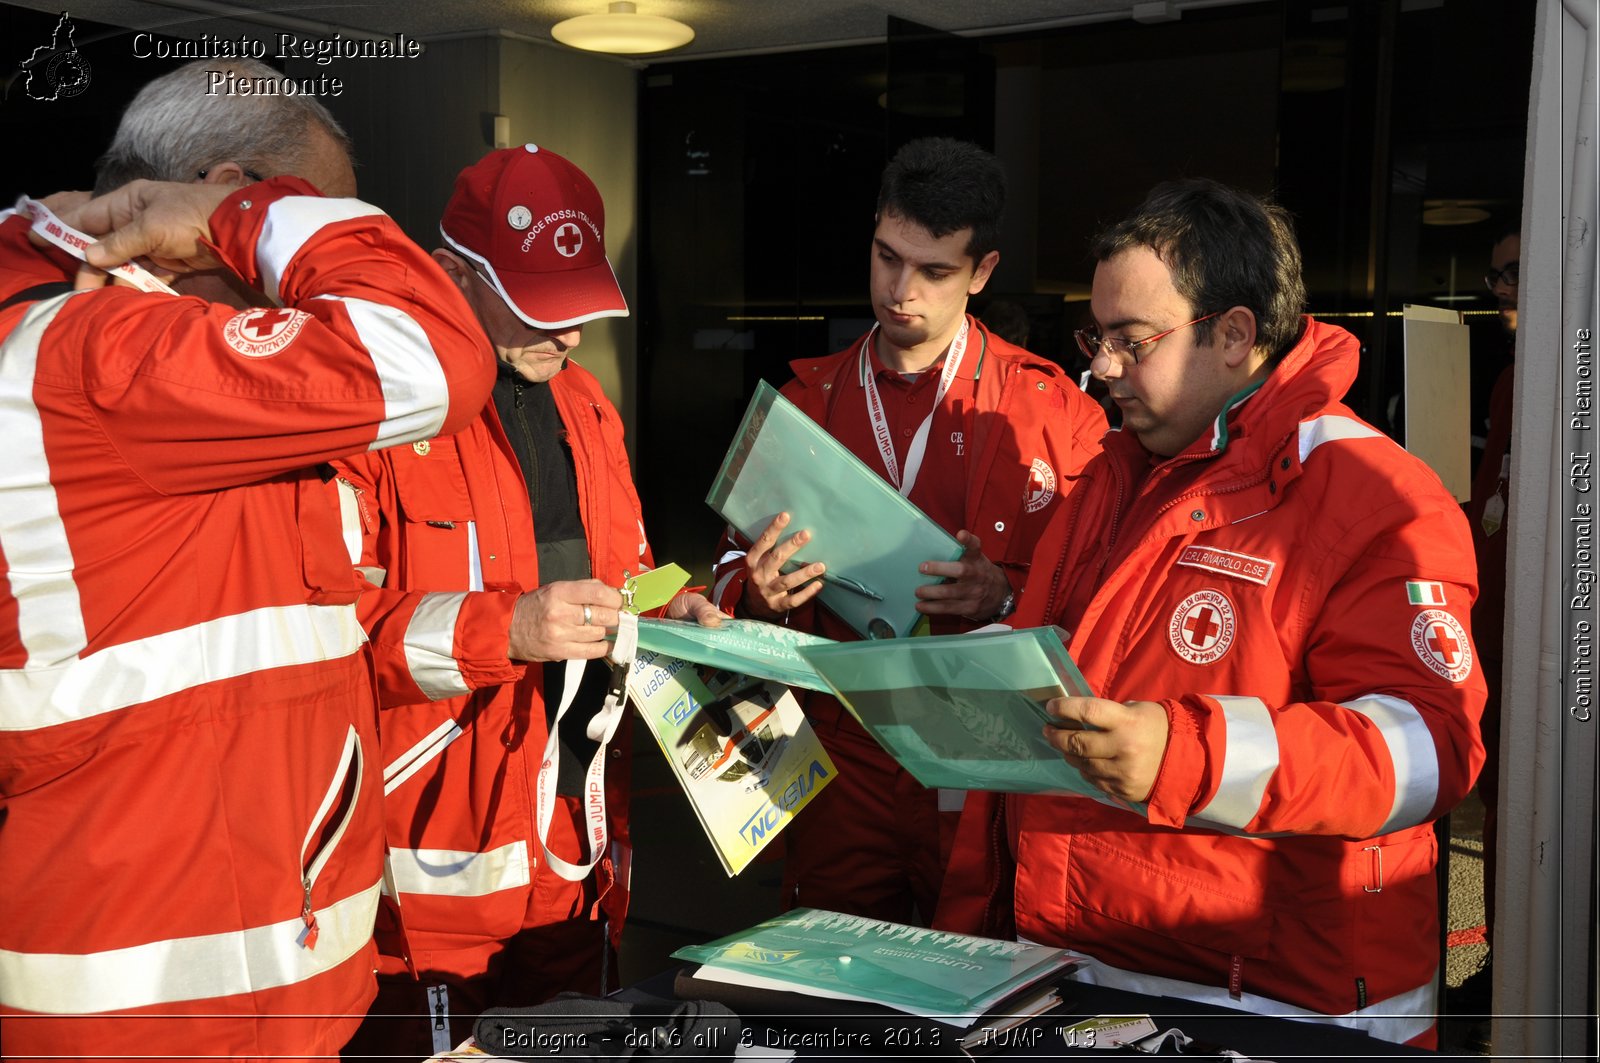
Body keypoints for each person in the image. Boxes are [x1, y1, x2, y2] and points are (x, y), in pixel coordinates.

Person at [0, 59, 494, 1060]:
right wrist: (266, 219)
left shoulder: (143, 362)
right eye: (297, 217)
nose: (304, 266)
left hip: (236, 964)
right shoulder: (113, 355)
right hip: (163, 995)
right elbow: (432, 355)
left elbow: (291, 633)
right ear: (220, 198)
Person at [937, 178, 1486, 1048]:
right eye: (1097, 339)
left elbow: (1428, 751)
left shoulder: (1373, 494)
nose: (1103, 368)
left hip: (1278, 1005)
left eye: (1132, 341)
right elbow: (1083, 655)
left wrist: (1185, 751)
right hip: (1088, 966)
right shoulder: (1117, 475)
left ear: (1235, 334)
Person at [334, 144, 721, 1057]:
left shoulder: (587, 403)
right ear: (455, 274)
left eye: (584, 305)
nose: (573, 334)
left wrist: (680, 618)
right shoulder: (379, 412)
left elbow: (622, 575)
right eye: (544, 308)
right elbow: (321, 642)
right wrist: (503, 627)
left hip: (576, 846)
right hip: (429, 872)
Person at [710, 137, 1108, 924]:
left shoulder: (1054, 413)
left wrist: (1005, 591)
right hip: (837, 746)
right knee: (831, 986)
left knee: (975, 988)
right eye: (887, 256)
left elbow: (1108, 601)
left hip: (982, 749)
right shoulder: (803, 401)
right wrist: (753, 588)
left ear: (982, 273)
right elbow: (723, 564)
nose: (900, 290)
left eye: (934, 272)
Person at [1449, 224, 1519, 1023]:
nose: (1503, 292)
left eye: (1517, 274)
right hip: (1498, 629)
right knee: (1505, 807)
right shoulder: (1508, 385)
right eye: (1498, 277)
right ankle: (1503, 964)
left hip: (1552, 642)